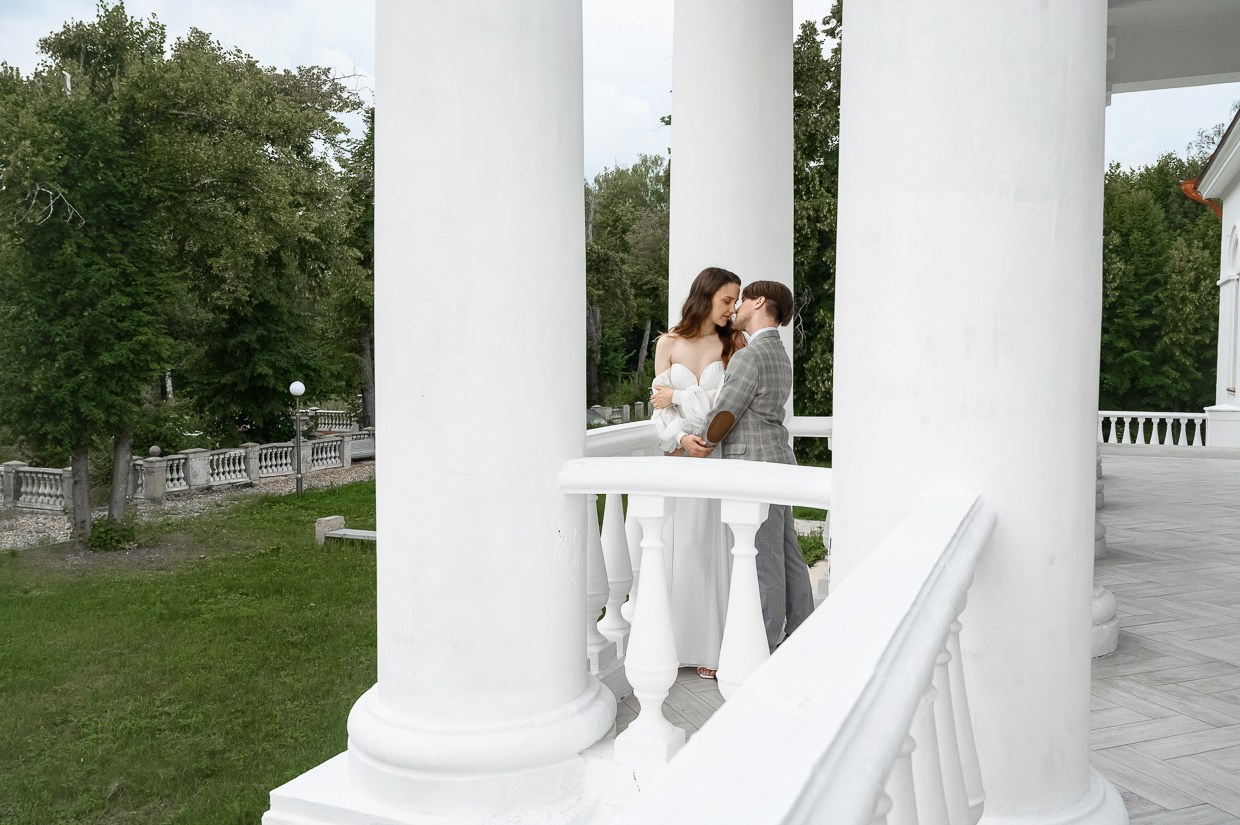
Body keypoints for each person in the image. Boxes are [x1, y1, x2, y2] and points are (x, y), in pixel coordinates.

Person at [685, 279, 814, 653]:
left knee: (764, 559)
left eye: (742, 301)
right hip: (779, 462)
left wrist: (701, 441)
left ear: (759, 302)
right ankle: (804, 633)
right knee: (788, 553)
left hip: (755, 468)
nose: (737, 308)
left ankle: (766, 646)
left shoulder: (750, 355)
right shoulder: (779, 353)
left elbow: (726, 413)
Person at [649, 266, 745, 679]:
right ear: (705, 296)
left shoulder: (732, 343)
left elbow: (721, 407)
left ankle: (714, 646)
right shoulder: (667, 342)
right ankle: (675, 644)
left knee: (714, 546)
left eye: (737, 301)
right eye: (727, 300)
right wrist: (679, 437)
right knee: (681, 545)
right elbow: (658, 409)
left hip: (716, 454)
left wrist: (679, 394)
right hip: (679, 455)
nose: (733, 309)